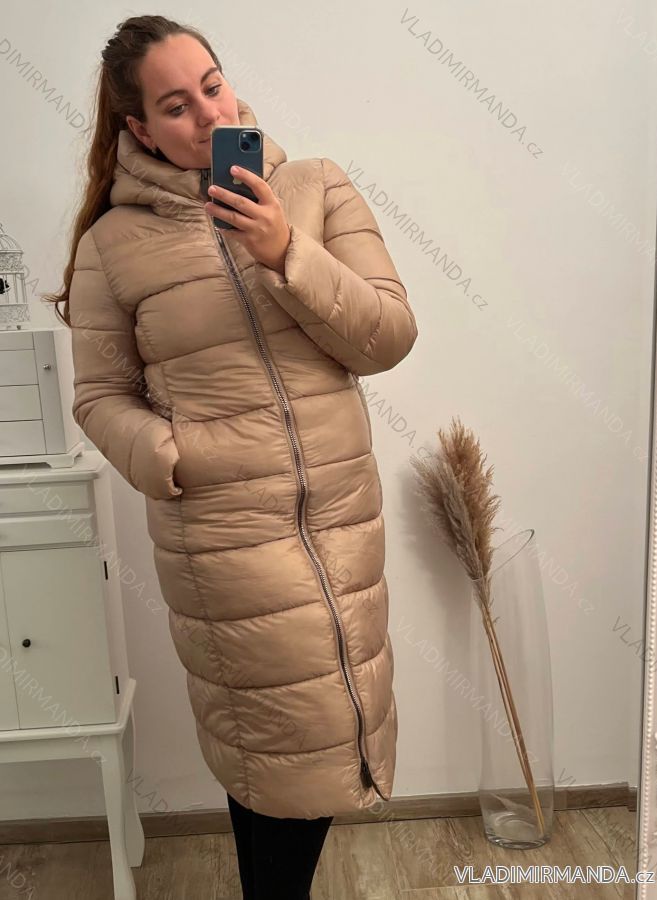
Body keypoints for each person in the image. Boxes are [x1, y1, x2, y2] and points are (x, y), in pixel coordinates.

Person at [45, 14, 417, 899]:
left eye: (212, 86)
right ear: (138, 129)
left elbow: (388, 336)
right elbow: (98, 398)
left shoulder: (316, 187)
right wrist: (175, 458)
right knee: (275, 750)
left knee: (319, 742)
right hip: (224, 542)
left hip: (341, 525)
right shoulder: (110, 248)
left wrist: (286, 251)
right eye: (176, 106)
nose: (208, 114)